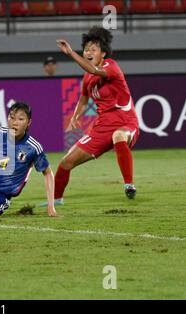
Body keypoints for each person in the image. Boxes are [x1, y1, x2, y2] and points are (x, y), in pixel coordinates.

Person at [52, 26, 139, 204]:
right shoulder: (87, 78)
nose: (88, 52)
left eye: (93, 49)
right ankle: (56, 200)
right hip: (101, 127)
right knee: (66, 162)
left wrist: (70, 53)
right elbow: (84, 98)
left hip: (125, 121)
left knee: (119, 135)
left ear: (103, 54)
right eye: (86, 49)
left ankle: (128, 184)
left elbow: (93, 70)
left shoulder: (111, 66)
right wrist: (76, 116)